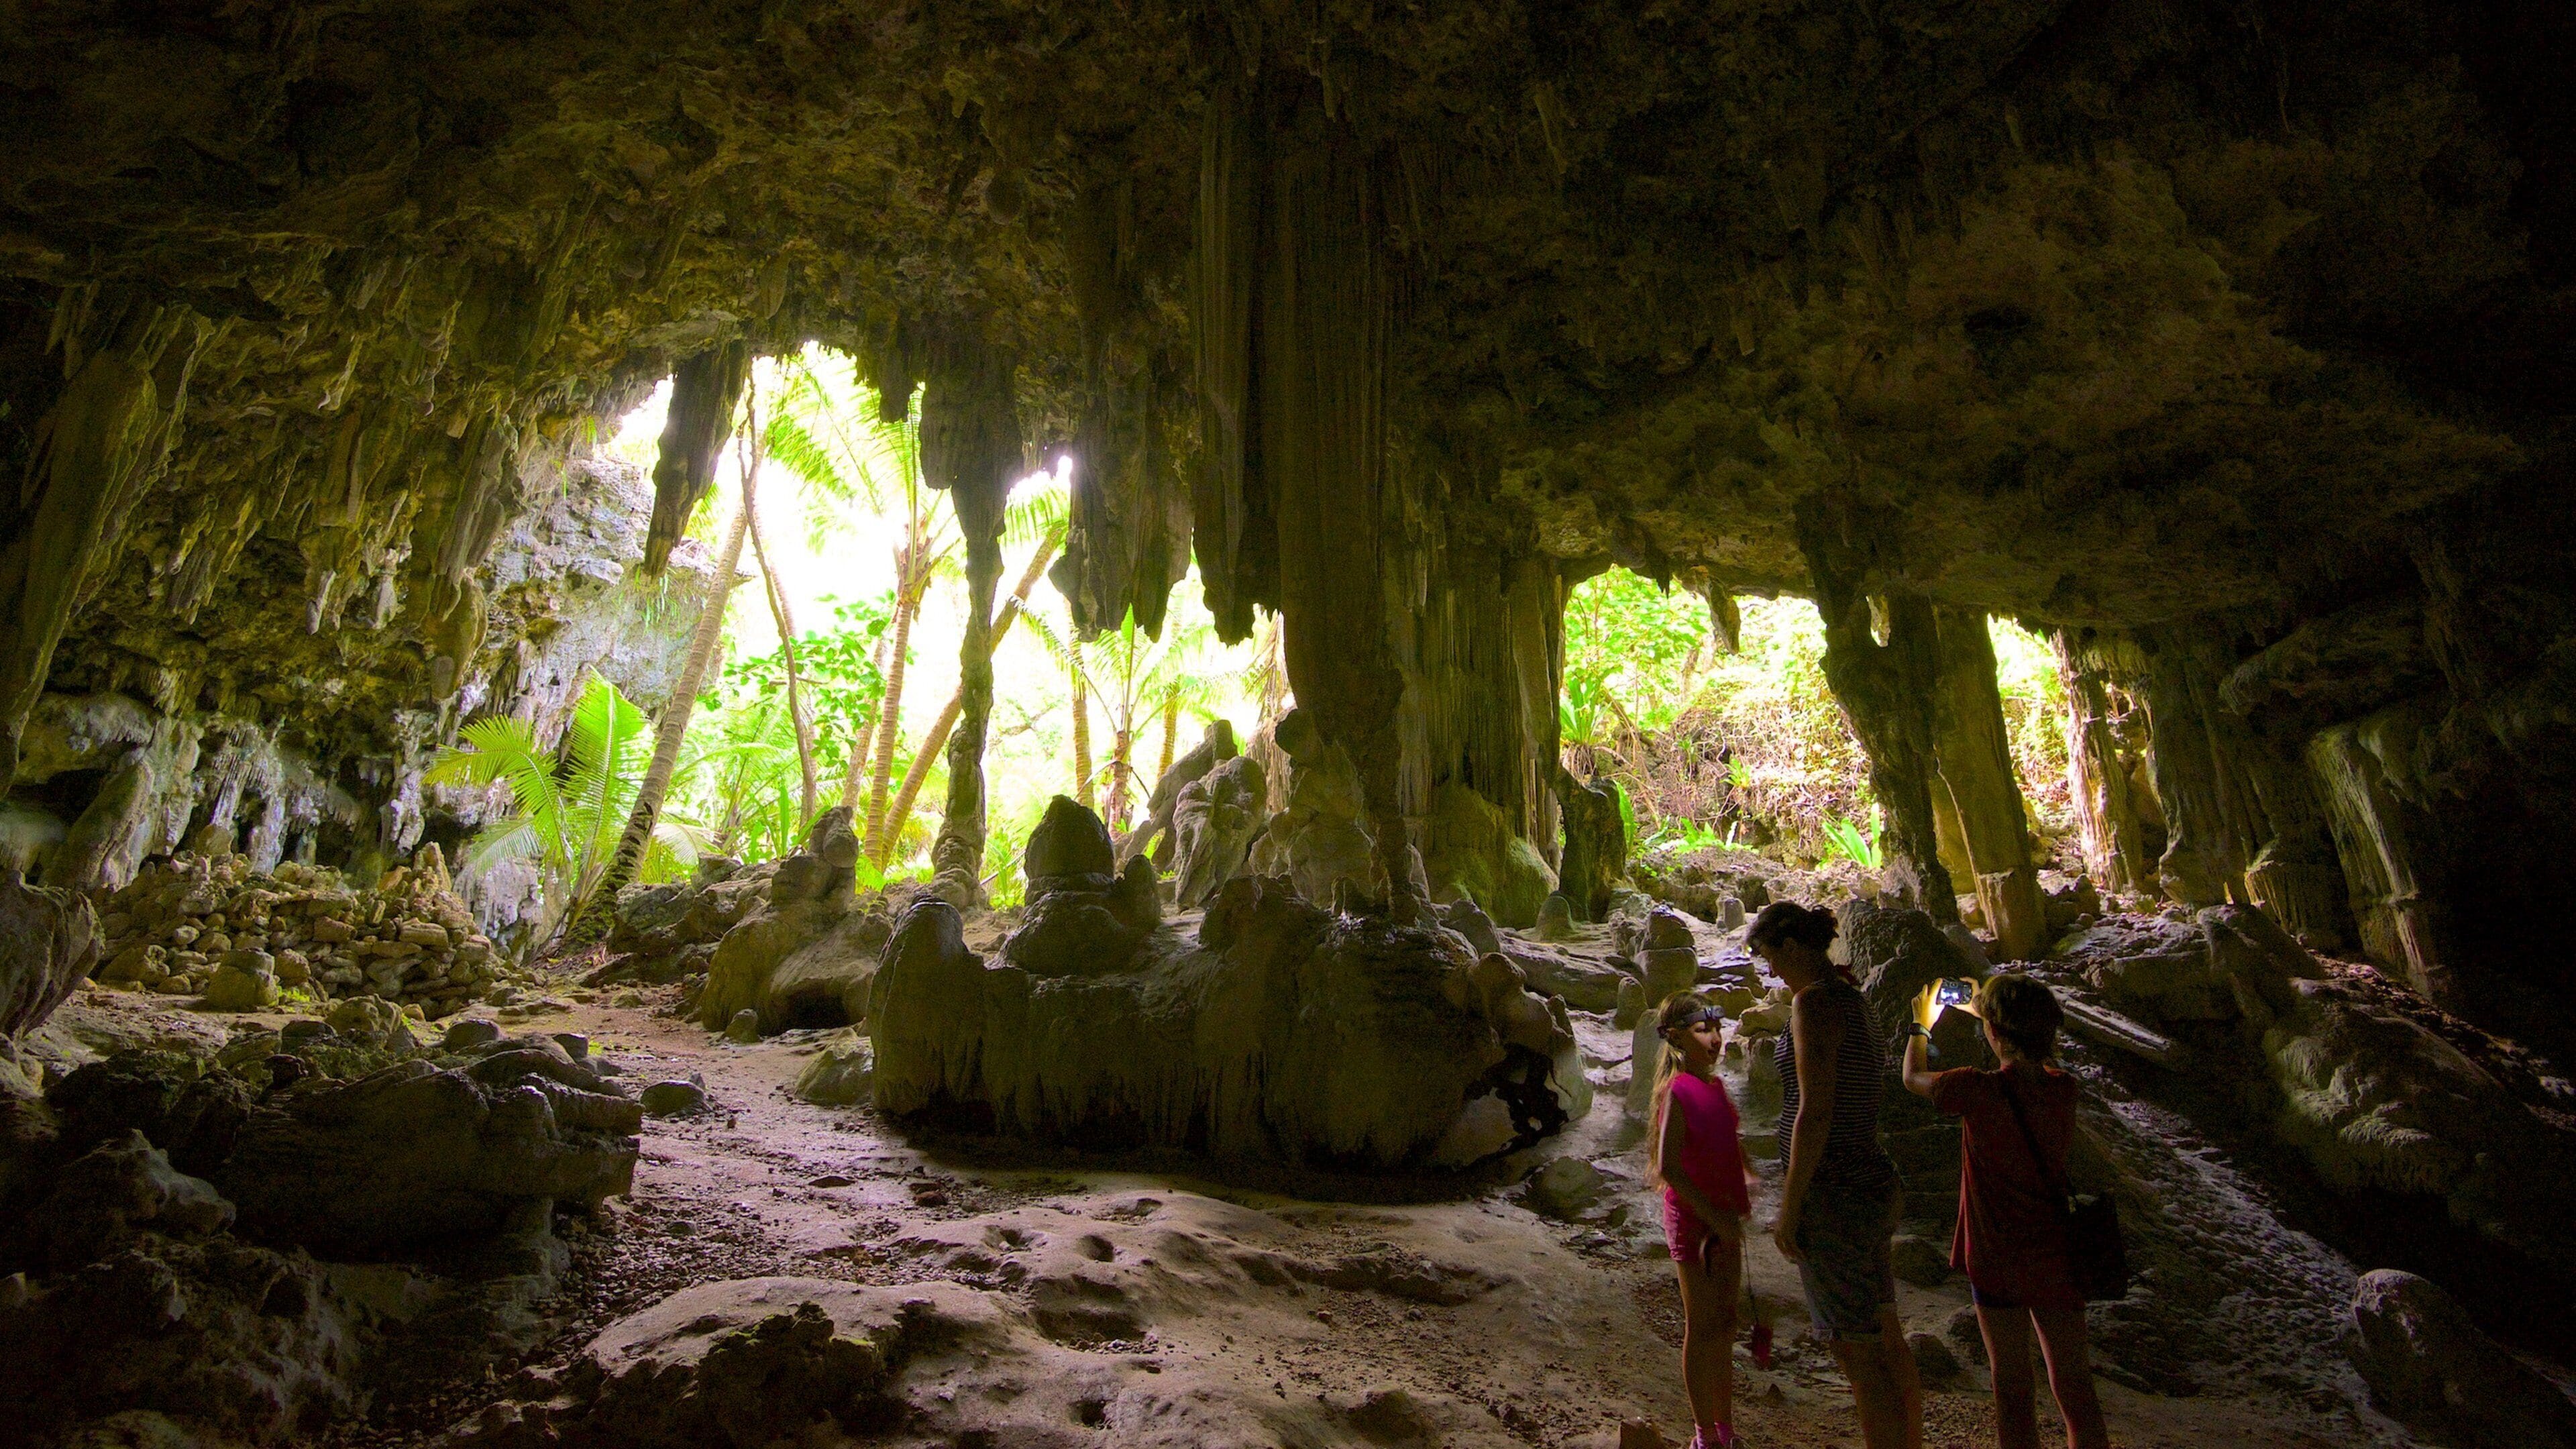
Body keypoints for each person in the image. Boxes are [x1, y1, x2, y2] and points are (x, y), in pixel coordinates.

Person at [1898, 973, 2110, 1449]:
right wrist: (1994, 1010)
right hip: (2055, 1253)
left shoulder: (1975, 1089)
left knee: (2012, 1384)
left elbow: (1912, 1078)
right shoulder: (2064, 1090)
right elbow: (2030, 1053)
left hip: (1996, 1254)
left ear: (1993, 1033)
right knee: (2074, 1383)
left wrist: (1920, 1026)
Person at [1748, 901, 1922, 1449]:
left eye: (1770, 955)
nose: (1770, 969)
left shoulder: (1815, 1004)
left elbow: (1815, 1110)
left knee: (1858, 1353)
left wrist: (1790, 1207)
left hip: (1837, 1190)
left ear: (1793, 947)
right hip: (1869, 1177)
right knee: (1884, 1334)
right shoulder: (1852, 998)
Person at [1649, 991, 1756, 1449]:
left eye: (1717, 1028)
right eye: (1702, 1030)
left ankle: (1726, 1428)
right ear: (1676, 1038)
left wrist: (1746, 1179)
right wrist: (1713, 1215)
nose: (1715, 1039)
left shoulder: (1715, 1086)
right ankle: (1705, 1433)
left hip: (1723, 1218)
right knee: (1703, 1324)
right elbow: (1668, 1165)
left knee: (1726, 1324)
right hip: (1696, 1221)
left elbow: (1727, 1140)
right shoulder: (1677, 1090)